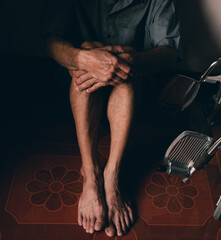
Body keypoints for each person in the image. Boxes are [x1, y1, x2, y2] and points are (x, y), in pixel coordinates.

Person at [43, 0, 180, 237]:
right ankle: (91, 171)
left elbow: (169, 51)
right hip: (80, 82)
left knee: (125, 82)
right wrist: (84, 59)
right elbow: (51, 41)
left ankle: (112, 175)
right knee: (85, 60)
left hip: (133, 85)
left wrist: (121, 64)